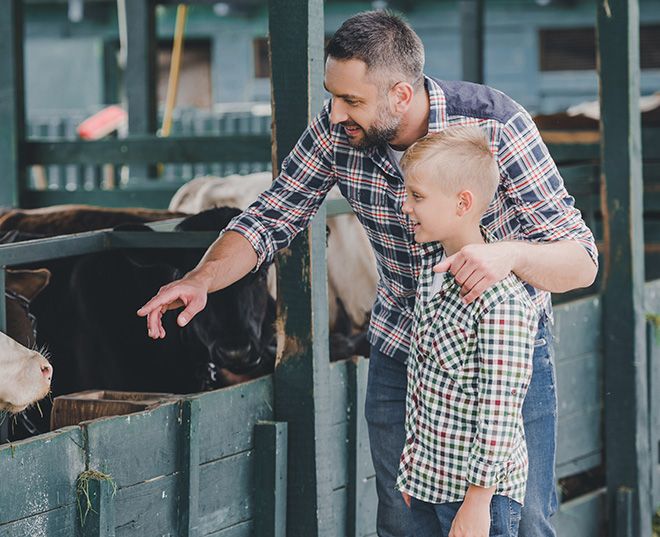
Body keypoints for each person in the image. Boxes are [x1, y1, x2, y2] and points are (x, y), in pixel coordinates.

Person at [136, 10, 597, 537]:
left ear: (401, 95)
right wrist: (202, 278)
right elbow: (271, 215)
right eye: (332, 96)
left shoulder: (496, 126)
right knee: (403, 524)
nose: (335, 114)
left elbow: (582, 260)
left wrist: (507, 256)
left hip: (500, 356)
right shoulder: (337, 131)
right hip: (404, 348)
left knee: (516, 522)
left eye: (351, 100)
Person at [396, 126, 537, 537]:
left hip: (479, 499)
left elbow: (500, 410)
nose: (405, 206)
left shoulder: (501, 300)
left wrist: (477, 502)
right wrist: (412, 469)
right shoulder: (433, 274)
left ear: (462, 203)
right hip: (429, 484)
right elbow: (424, 384)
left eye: (417, 196)